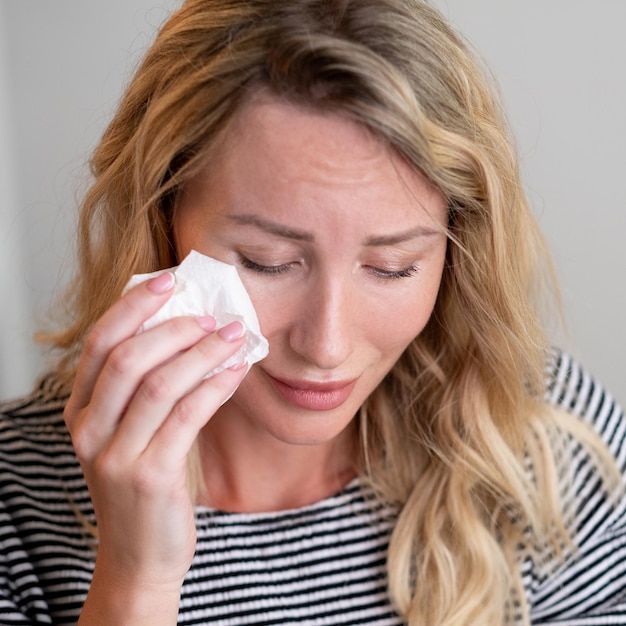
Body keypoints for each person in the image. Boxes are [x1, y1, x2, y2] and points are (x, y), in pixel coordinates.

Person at [1, 0, 625, 624]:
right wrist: (137, 580)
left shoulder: (549, 445)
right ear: (162, 221)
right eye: (267, 261)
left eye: (392, 267)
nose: (326, 346)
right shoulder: (17, 504)